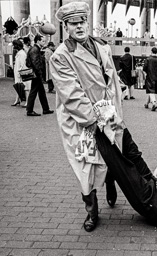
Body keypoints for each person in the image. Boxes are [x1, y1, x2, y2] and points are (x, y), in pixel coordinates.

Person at [50, 2, 123, 232]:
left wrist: (115, 112)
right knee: (85, 163)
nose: (79, 26)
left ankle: (111, 180)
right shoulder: (61, 56)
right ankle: (92, 211)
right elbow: (72, 94)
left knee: (111, 152)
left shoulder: (102, 46)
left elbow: (112, 83)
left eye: (82, 22)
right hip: (81, 120)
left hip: (107, 112)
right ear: (66, 26)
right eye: (74, 23)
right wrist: (92, 121)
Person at [26, 34, 54, 117]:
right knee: (34, 91)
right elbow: (35, 63)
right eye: (43, 41)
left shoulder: (34, 49)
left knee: (40, 91)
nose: (44, 43)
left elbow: (31, 62)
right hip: (36, 74)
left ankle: (45, 109)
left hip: (36, 73)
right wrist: (39, 72)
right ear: (38, 41)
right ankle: (30, 110)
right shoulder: (35, 49)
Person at [12, 39, 31, 107]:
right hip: (19, 73)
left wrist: (20, 72)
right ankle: (17, 100)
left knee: (26, 88)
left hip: (22, 73)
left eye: (14, 45)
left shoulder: (21, 53)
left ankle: (27, 102)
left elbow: (23, 64)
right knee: (18, 86)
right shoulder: (19, 53)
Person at [143, 47, 157, 111]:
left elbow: (144, 68)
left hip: (149, 76)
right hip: (156, 77)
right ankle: (146, 103)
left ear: (151, 51)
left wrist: (145, 74)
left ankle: (154, 103)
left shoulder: (148, 59)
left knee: (151, 90)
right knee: (152, 90)